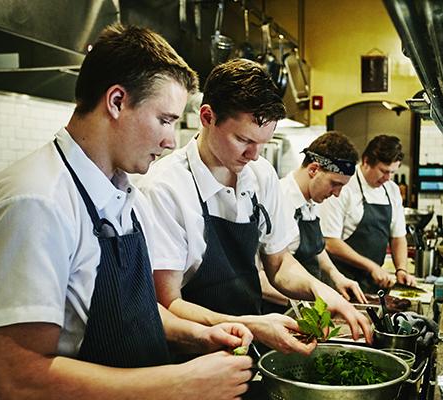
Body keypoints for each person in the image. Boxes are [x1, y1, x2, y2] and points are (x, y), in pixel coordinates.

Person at [0, 24, 254, 400]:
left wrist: (200, 335)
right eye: (165, 120)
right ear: (116, 101)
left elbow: (130, 312)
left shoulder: (119, 191)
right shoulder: (34, 202)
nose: (169, 140)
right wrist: (180, 385)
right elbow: (21, 377)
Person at [138, 59, 372, 355]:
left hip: (248, 344)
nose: (253, 155)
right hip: (192, 356)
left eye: (263, 143)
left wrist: (319, 290)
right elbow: (168, 304)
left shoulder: (261, 175)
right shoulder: (166, 188)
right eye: (243, 139)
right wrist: (249, 325)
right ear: (208, 118)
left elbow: (278, 263)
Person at [260, 132, 368, 313]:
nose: (337, 194)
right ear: (313, 169)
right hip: (279, 311)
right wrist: (312, 301)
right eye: (335, 184)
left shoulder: (311, 200)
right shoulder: (277, 201)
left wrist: (336, 276)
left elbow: (317, 249)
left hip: (308, 305)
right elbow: (260, 277)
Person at [320, 135, 417, 293]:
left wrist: (401, 270)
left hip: (374, 282)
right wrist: (371, 266)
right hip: (341, 280)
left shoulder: (391, 190)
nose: (387, 178)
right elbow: (330, 242)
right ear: (366, 161)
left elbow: (398, 237)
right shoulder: (343, 186)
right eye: (384, 171)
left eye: (392, 172)